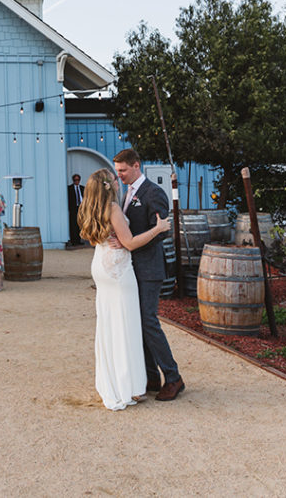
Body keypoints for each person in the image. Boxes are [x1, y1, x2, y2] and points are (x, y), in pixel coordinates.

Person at [79, 168, 171, 410]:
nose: (118, 179)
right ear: (109, 185)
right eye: (114, 176)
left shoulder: (89, 207)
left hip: (101, 266)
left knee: (109, 324)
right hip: (119, 271)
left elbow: (89, 235)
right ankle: (128, 386)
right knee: (126, 326)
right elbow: (129, 243)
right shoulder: (113, 208)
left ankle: (113, 379)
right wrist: (158, 229)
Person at [112, 148, 185, 401]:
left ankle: (173, 377)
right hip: (131, 269)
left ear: (136, 165)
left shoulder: (153, 192)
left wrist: (128, 243)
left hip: (150, 268)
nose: (119, 175)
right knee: (137, 322)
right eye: (117, 170)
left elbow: (161, 231)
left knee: (148, 321)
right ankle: (150, 376)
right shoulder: (126, 194)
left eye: (122, 170)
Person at [67, 173, 84, 247]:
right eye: (75, 180)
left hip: (80, 208)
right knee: (73, 224)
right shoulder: (69, 188)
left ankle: (79, 240)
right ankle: (73, 240)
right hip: (73, 209)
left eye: (78, 180)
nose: (76, 181)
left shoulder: (82, 188)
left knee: (79, 224)